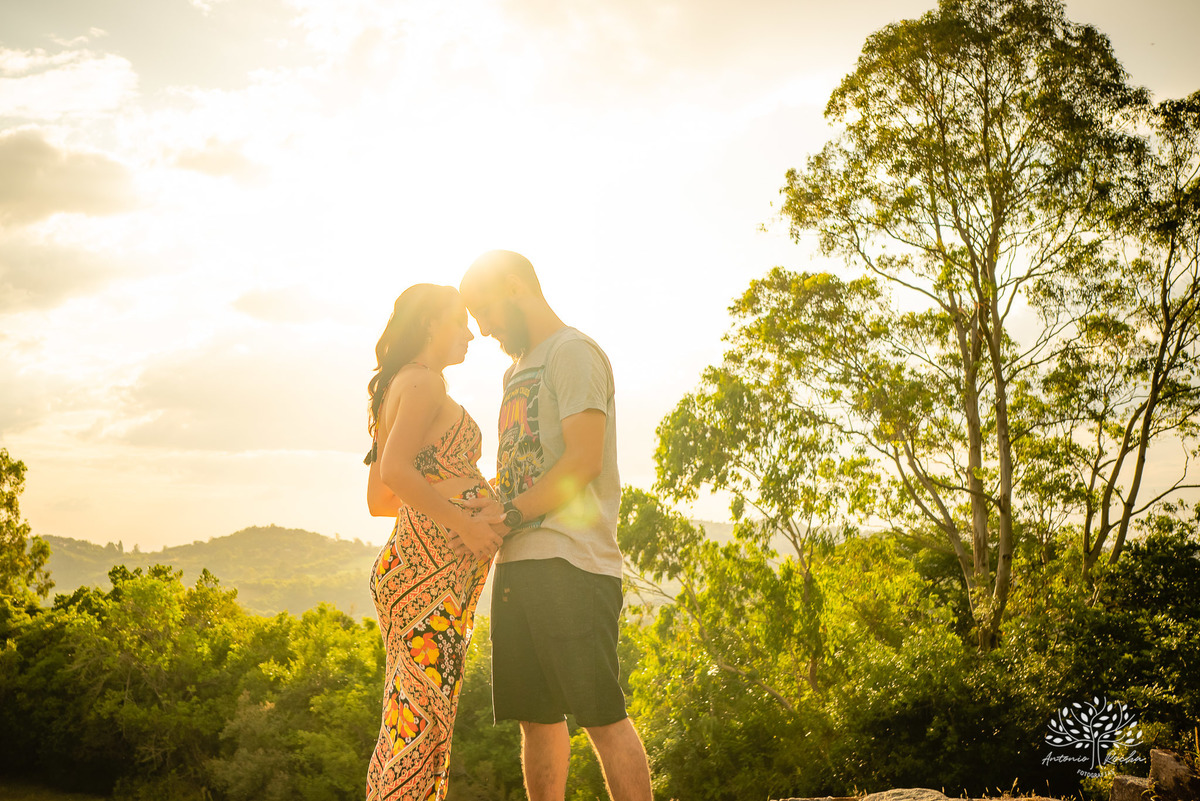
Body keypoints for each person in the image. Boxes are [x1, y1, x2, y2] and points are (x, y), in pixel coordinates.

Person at [458, 250, 653, 801]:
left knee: (601, 716)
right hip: (518, 563)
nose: (484, 327)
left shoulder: (574, 353)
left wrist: (511, 513)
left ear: (516, 287)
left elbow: (583, 459)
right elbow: (523, 466)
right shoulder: (515, 370)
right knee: (535, 718)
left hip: (572, 560)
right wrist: (487, 509)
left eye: (485, 311)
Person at [363, 283, 505, 801]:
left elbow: (381, 497)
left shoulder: (400, 385)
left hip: (413, 574)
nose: (469, 333)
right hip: (428, 583)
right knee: (421, 731)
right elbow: (395, 474)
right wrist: (465, 519)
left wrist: (468, 495)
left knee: (414, 726)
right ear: (430, 324)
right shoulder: (423, 384)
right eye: (459, 321)